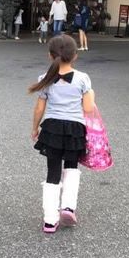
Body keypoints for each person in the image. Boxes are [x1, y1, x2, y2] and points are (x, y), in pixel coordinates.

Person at [29, 35, 95, 234]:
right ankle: (68, 207)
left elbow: (39, 109)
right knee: (72, 168)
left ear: (50, 56)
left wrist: (35, 128)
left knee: (53, 172)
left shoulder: (45, 79)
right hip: (75, 129)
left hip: (52, 129)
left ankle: (50, 219)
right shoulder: (83, 78)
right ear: (75, 56)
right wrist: (91, 94)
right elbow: (88, 108)